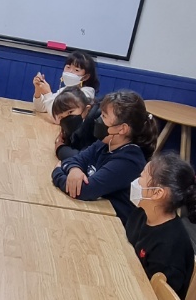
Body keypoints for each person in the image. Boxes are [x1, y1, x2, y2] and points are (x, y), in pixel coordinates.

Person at [50, 89, 158, 222]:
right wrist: (74, 169)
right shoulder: (104, 143)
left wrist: (57, 173)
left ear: (122, 129)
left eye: (104, 116)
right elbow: (74, 159)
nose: (98, 119)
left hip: (114, 223)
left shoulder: (128, 161)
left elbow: (84, 191)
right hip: (95, 210)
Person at [125, 154, 196, 300]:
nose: (137, 181)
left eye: (142, 176)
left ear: (157, 193)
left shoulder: (169, 250)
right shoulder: (141, 213)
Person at [31, 49, 99, 114]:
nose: (70, 72)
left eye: (76, 70)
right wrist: (38, 89)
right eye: (68, 67)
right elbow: (41, 108)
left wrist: (47, 93)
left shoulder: (86, 93)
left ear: (85, 77)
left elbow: (58, 115)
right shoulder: (65, 89)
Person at [51, 86, 100, 159]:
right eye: (61, 117)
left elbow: (85, 159)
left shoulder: (98, 125)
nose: (66, 118)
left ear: (87, 109)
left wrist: (60, 149)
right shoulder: (77, 128)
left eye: (70, 112)